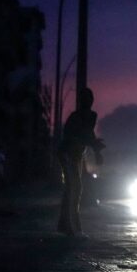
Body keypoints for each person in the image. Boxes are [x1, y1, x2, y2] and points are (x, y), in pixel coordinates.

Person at [57, 88, 105, 237]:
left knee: (73, 189)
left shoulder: (91, 116)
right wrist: (95, 147)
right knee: (74, 189)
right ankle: (73, 228)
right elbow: (78, 137)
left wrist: (97, 151)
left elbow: (89, 135)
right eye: (85, 98)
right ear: (81, 101)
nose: (88, 101)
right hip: (67, 154)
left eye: (90, 98)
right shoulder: (75, 117)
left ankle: (66, 226)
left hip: (77, 155)